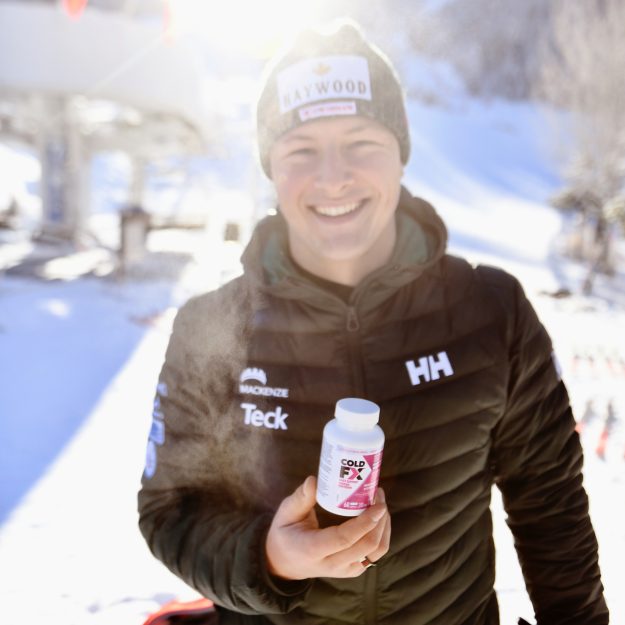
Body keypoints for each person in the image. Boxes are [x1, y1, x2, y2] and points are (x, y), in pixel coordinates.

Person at [138, 20, 609, 625]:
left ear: (401, 154)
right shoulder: (211, 329)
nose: (333, 176)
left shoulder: (491, 311)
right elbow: (170, 513)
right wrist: (269, 557)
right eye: (302, 150)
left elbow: (552, 507)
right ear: (272, 169)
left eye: (361, 142)